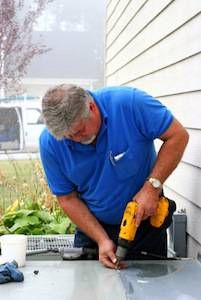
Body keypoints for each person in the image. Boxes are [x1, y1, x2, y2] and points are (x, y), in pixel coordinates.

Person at [39, 84, 189, 269]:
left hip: (145, 222)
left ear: (91, 107)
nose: (76, 139)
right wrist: (101, 240)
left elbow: (178, 136)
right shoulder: (50, 143)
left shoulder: (129, 104)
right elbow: (67, 198)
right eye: (68, 136)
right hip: (92, 229)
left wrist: (152, 187)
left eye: (79, 131)